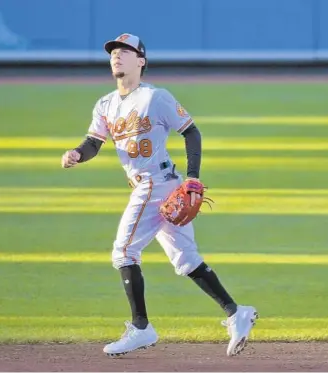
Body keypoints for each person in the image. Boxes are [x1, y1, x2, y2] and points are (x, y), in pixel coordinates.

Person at [61, 33, 258, 357]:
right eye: (114, 51)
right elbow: (93, 143)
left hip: (157, 184)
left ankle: (141, 327)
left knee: (123, 252)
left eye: (126, 51)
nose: (117, 56)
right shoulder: (105, 104)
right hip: (152, 185)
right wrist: (76, 154)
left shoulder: (156, 97)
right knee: (186, 259)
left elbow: (191, 131)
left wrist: (193, 179)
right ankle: (237, 313)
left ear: (141, 61)